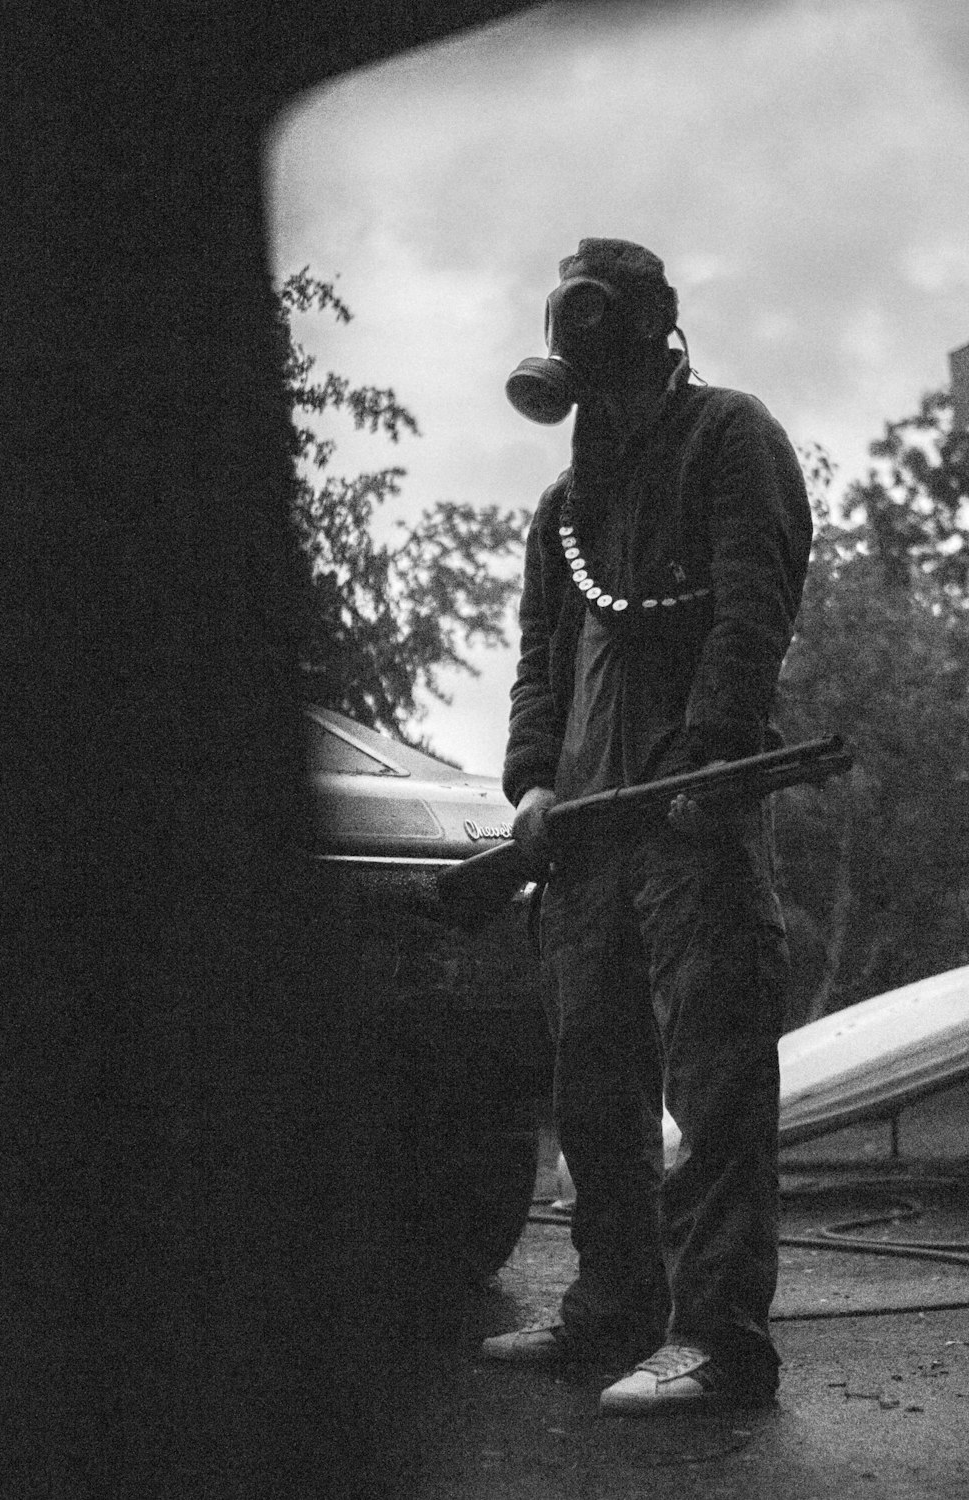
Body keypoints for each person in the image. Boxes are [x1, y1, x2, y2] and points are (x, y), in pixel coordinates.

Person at [481, 239, 812, 1416]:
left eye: (595, 310)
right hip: (581, 830)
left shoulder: (731, 437)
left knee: (715, 1081)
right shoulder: (564, 506)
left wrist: (710, 760)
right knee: (591, 1085)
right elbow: (539, 660)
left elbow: (752, 604)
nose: (578, 333)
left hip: (689, 817)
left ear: (653, 323)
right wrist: (530, 780)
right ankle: (608, 1313)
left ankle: (719, 1343)